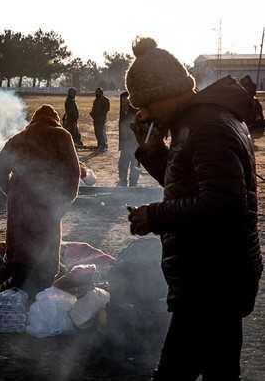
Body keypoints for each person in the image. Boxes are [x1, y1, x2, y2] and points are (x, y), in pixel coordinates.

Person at [125, 37, 262, 381]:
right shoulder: (196, 123)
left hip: (211, 277)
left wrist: (153, 216)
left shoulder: (207, 128)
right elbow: (188, 185)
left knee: (176, 371)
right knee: (220, 369)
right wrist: (152, 151)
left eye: (146, 105)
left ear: (165, 94)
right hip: (218, 270)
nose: (143, 114)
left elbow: (222, 203)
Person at [0, 105, 80, 297]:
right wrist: (64, 201)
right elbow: (74, 173)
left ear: (33, 121)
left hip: (20, 201)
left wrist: (11, 192)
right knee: (45, 245)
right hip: (48, 199)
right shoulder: (61, 135)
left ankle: (19, 288)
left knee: (21, 247)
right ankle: (42, 291)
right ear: (55, 119)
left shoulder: (19, 138)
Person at [117, 91, 139, 186]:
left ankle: (133, 183)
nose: (124, 102)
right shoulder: (122, 111)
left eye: (126, 100)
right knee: (122, 164)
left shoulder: (134, 111)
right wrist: (121, 144)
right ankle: (123, 181)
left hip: (134, 143)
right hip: (125, 143)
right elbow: (122, 129)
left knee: (134, 164)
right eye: (122, 100)